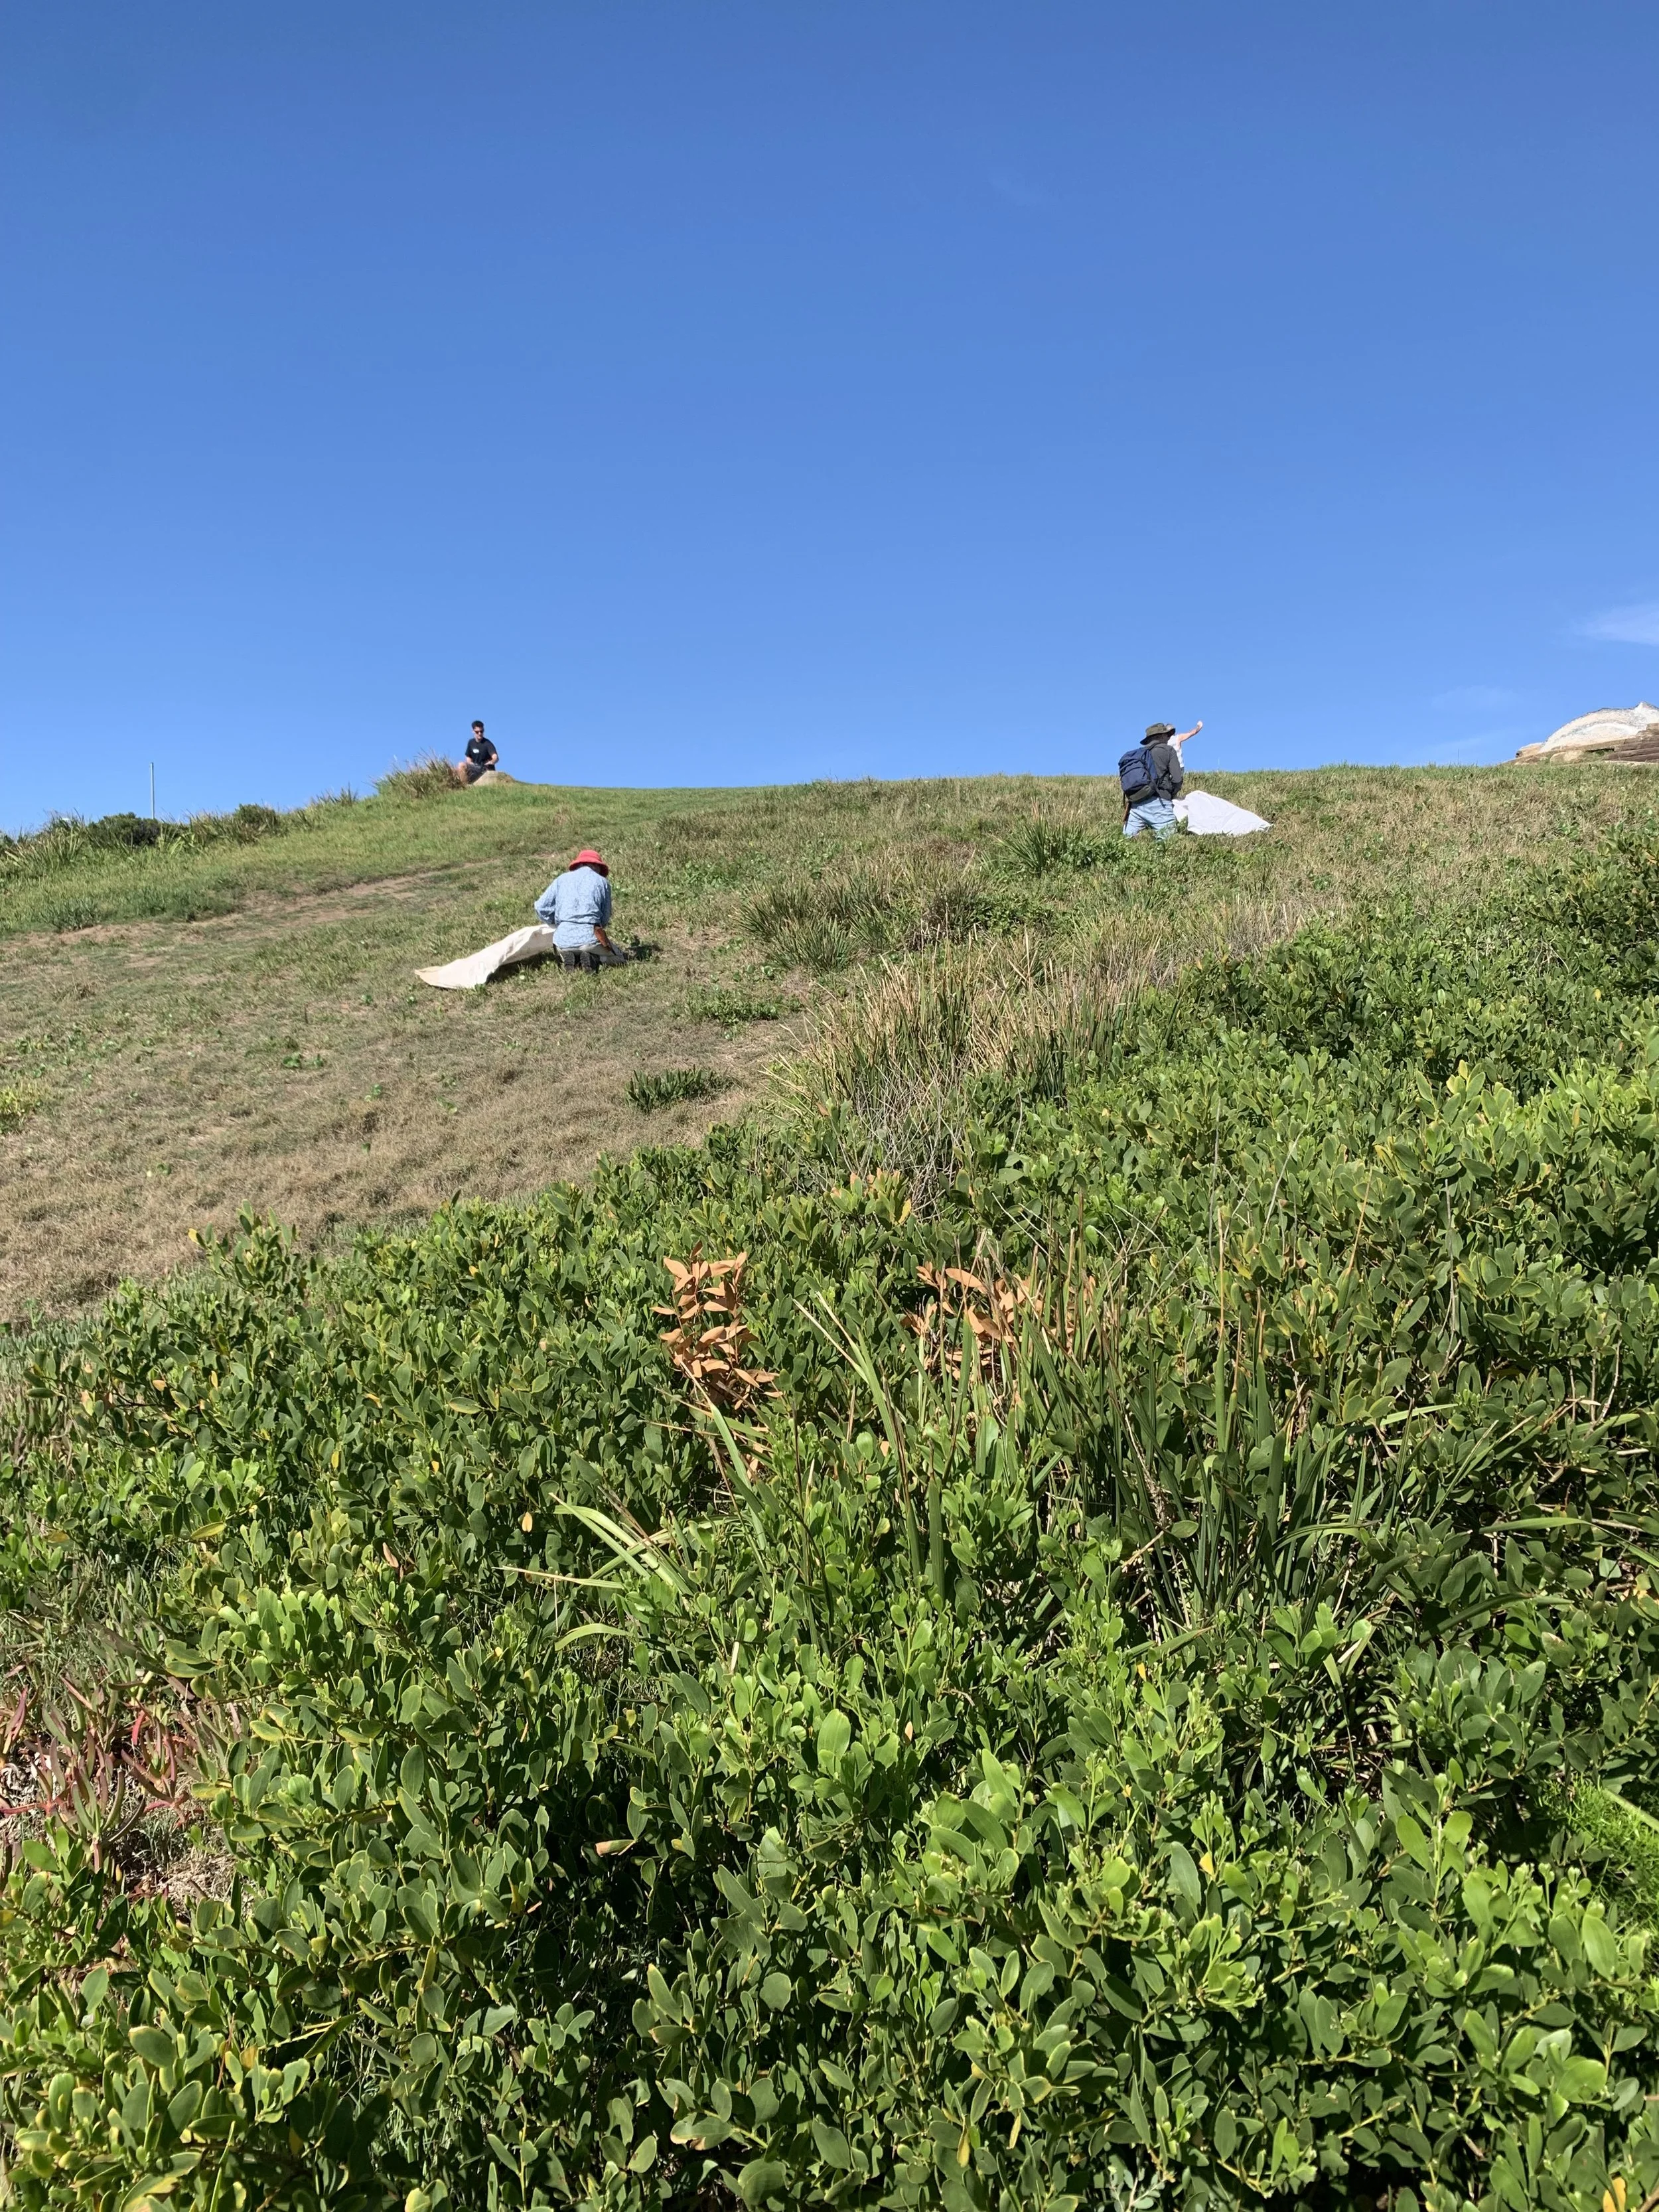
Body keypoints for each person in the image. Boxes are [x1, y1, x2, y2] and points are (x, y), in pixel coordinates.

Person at [535, 848, 627, 968]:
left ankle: (572, 959)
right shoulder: (602, 882)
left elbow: (541, 907)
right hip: (590, 938)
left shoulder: (561, 879)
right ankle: (596, 958)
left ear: (579, 864)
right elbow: (605, 917)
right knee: (620, 958)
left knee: (565, 952)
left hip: (563, 941)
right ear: (596, 866)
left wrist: (556, 922)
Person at [1120, 719, 1202, 840]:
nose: (1169, 737)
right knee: (1167, 844)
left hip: (1135, 805)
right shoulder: (1168, 750)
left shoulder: (1139, 754)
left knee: (1126, 842)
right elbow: (1177, 779)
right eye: (1166, 734)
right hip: (1160, 803)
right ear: (1161, 736)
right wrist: (1171, 795)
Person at [456, 720, 498, 784]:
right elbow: (468, 756)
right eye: (477, 732)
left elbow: (495, 757)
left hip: (484, 768)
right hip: (475, 767)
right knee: (460, 766)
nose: (480, 734)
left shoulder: (487, 743)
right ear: (473, 731)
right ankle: (464, 786)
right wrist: (470, 763)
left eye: (481, 731)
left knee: (461, 765)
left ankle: (465, 786)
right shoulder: (471, 743)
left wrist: (491, 762)